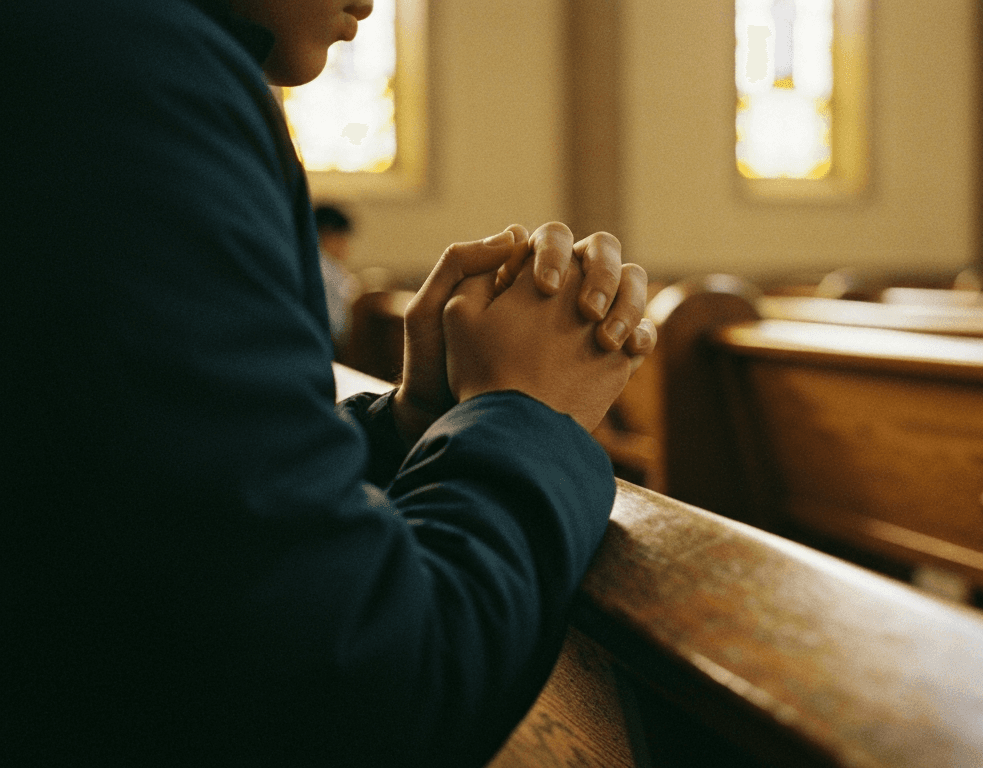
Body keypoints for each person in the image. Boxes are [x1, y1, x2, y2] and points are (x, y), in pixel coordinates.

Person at [2, 1, 656, 765]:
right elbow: (360, 689)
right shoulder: (124, 74)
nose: (372, 1)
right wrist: (529, 413)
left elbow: (123, 502)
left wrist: (414, 425)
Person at [313, 203, 362, 353]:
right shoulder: (323, 269)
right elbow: (338, 327)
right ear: (327, 234)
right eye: (342, 238)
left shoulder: (328, 266)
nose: (346, 246)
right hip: (329, 349)